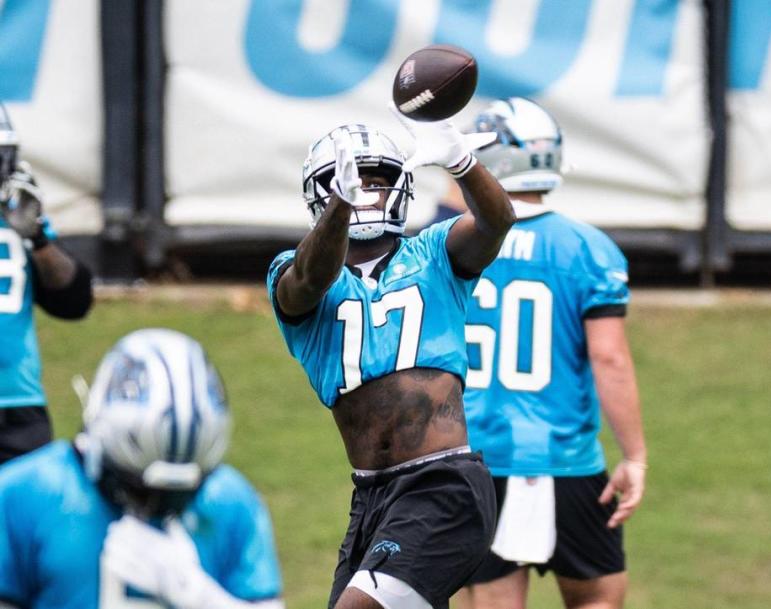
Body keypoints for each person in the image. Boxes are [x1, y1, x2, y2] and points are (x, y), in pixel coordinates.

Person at [266, 111, 515, 609]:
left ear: (401, 189)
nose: (368, 192)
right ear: (322, 194)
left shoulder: (435, 254)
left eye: (379, 181)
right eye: (356, 183)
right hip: (372, 498)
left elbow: (497, 220)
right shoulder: (293, 272)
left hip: (443, 486)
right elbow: (308, 280)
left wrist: (462, 163)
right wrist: (342, 206)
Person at [457, 98, 648, 609]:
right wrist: (634, 454)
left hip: (478, 457)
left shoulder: (450, 244)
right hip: (564, 458)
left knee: (490, 601)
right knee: (599, 598)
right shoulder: (587, 248)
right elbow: (609, 359)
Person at [0, 328, 284, 609]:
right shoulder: (24, 495)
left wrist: (199, 596)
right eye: (136, 486)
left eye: (180, 494)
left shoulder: (232, 501)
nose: (157, 505)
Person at [0, 102, 93, 465]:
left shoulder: (18, 214)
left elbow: (74, 300)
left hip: (20, 408)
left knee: (26, 518)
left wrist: (37, 237)